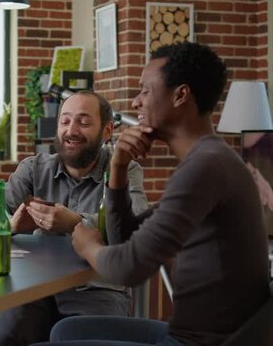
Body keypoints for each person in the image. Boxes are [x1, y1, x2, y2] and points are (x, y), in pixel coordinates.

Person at [62, 42, 270, 345]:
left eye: (145, 90)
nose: (135, 102)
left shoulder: (205, 168)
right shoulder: (209, 160)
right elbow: (125, 239)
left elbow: (127, 268)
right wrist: (118, 167)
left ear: (180, 95)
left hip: (199, 342)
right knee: (66, 331)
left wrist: (87, 245)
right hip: (186, 333)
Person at [0, 90, 149, 346]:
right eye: (65, 121)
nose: (72, 130)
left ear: (107, 130)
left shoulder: (124, 169)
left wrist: (74, 223)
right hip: (31, 286)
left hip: (97, 288)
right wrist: (8, 222)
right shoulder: (33, 168)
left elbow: (136, 224)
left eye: (84, 121)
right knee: (5, 337)